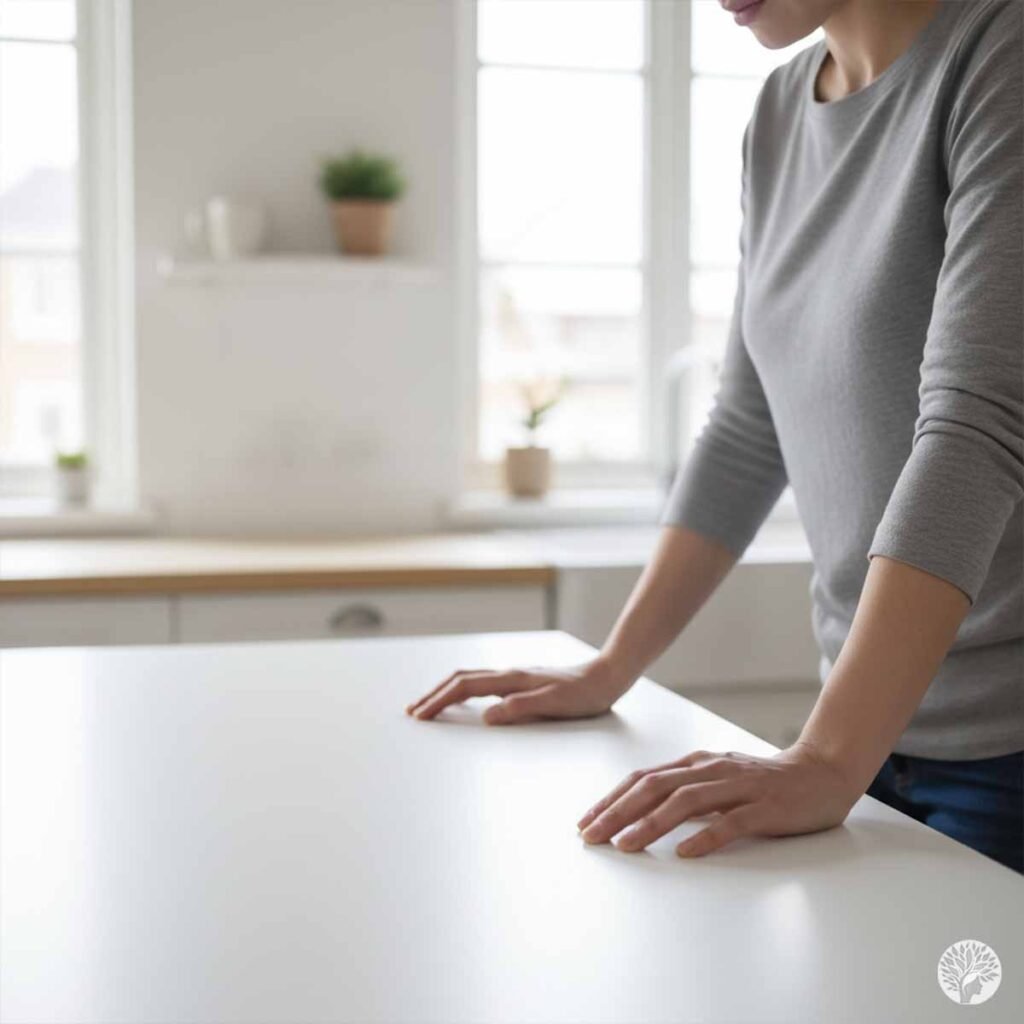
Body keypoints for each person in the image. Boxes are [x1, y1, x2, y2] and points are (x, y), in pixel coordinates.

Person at [407, 0, 1024, 874]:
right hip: (867, 735)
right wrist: (612, 667)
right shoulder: (779, 115)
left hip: (1001, 750)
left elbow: (977, 426)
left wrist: (824, 759)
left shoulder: (999, 53)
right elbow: (748, 425)